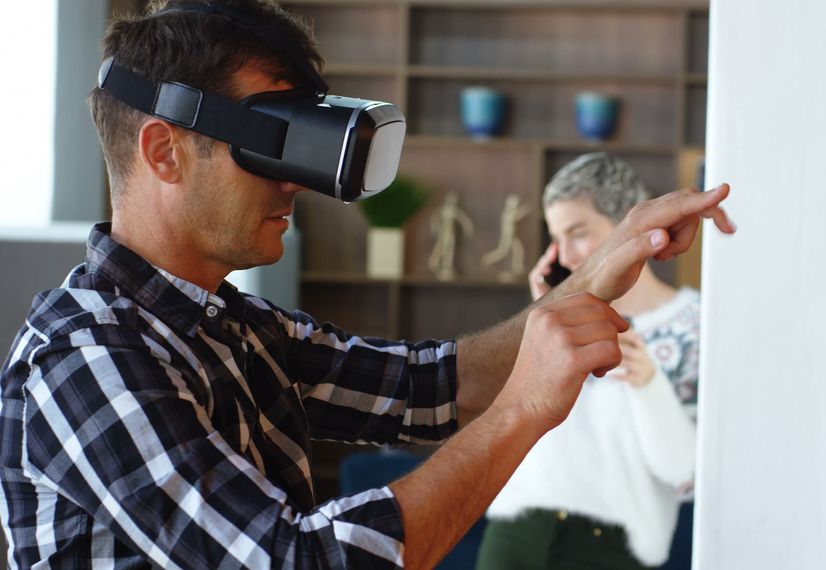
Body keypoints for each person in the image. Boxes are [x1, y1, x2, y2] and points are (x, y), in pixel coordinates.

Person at [0, 2, 735, 568]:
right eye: (267, 146)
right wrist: (524, 412)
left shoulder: (236, 326)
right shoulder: (85, 358)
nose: (294, 180)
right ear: (163, 152)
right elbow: (298, 562)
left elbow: (437, 386)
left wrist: (598, 269)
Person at [478, 153, 708, 569]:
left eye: (578, 232)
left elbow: (683, 474)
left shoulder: (694, 325)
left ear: (630, 226)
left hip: (615, 548)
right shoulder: (549, 319)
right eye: (556, 238)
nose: (564, 255)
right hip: (516, 532)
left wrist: (648, 384)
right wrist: (540, 319)